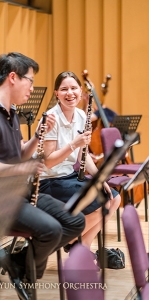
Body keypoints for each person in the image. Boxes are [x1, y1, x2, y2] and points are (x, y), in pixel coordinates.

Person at [0, 53, 85, 299]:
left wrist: (36, 138)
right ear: (13, 78)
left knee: (75, 221)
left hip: (16, 192)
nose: (32, 87)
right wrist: (21, 169)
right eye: (29, 81)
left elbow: (18, 154)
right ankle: (27, 275)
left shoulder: (11, 113)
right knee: (51, 230)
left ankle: (18, 261)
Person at [39, 71, 121, 252]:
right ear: (56, 94)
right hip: (48, 182)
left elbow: (83, 153)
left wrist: (99, 177)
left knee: (114, 198)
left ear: (80, 90)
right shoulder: (51, 119)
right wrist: (73, 144)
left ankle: (81, 246)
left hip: (69, 177)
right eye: (64, 89)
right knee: (103, 202)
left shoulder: (82, 116)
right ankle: (68, 239)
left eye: (74, 88)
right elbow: (48, 163)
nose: (70, 93)